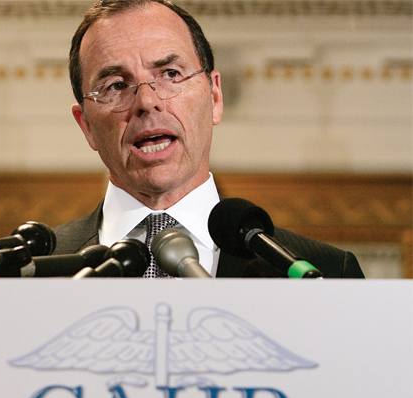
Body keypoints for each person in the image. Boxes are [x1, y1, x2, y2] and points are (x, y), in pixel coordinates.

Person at [53, 0, 364, 278]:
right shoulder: (27, 272)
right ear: (87, 126)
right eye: (116, 85)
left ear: (215, 96)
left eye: (171, 73)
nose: (147, 101)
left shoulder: (325, 274)